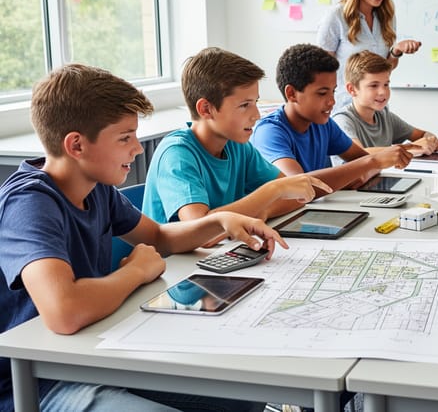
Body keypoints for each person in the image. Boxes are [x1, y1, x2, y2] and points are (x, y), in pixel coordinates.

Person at [0, 64, 288, 412]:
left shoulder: (97, 188)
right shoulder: (29, 203)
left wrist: (221, 221)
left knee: (246, 396)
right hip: (41, 381)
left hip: (95, 354)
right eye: (125, 138)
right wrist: (135, 271)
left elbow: (160, 236)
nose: (137, 149)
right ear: (76, 145)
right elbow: (65, 311)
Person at [143, 47, 331, 229]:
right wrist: (273, 191)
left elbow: (295, 197)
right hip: (181, 252)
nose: (256, 115)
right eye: (244, 105)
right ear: (206, 109)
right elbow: (199, 228)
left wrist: (264, 210)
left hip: (224, 248)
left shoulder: (237, 145)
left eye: (255, 102)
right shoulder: (177, 155)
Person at [250, 44, 413, 182]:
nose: (332, 101)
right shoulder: (269, 132)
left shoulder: (323, 124)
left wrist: (368, 165)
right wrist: (372, 162)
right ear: (292, 94)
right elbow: (299, 185)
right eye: (322, 93)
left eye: (333, 91)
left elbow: (362, 162)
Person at [317, 0, 422, 111]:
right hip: (344, 108)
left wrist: (396, 51)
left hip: (377, 109)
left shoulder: (387, 16)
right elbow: (321, 71)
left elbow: (383, 70)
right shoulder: (336, 16)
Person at [333, 50, 438, 156]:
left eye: (386, 84)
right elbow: (358, 154)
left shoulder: (384, 116)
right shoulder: (342, 120)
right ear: (352, 89)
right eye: (374, 85)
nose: (383, 92)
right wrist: (411, 148)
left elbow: (422, 135)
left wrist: (431, 141)